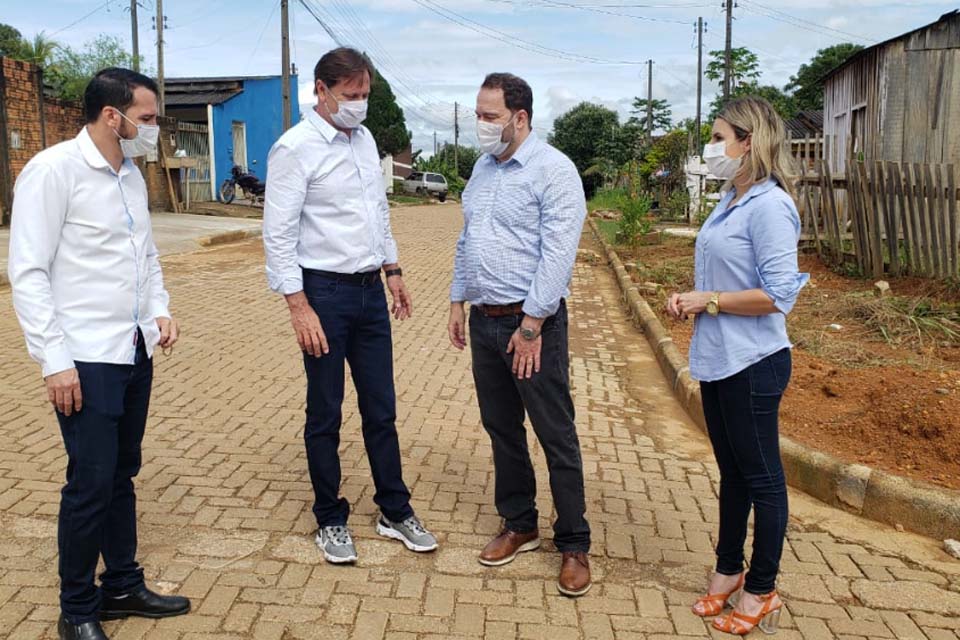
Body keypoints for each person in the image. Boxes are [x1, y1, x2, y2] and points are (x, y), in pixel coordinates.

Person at [8, 68, 190, 640]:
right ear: (113, 116)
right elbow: (29, 273)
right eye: (150, 116)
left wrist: (157, 307)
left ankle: (122, 586)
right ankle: (77, 609)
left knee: (122, 474)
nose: (154, 127)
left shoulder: (130, 175)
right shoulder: (53, 171)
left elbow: (147, 255)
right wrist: (53, 360)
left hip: (134, 348)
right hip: (84, 356)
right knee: (89, 481)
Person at [263, 47, 437, 565]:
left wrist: (394, 270)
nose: (359, 105)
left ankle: (394, 508)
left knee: (381, 408)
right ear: (321, 90)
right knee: (326, 412)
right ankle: (330, 517)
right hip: (324, 294)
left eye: (365, 95)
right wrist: (299, 305)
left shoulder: (364, 141)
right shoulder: (294, 149)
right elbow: (277, 235)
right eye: (351, 96)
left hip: (368, 293)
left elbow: (378, 214)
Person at [667, 96, 808, 636]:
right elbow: (720, 278)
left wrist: (712, 301)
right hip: (720, 359)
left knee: (764, 479)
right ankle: (728, 571)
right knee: (733, 475)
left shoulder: (771, 205)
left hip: (755, 363)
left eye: (720, 136)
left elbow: (779, 295)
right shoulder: (730, 198)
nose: (713, 146)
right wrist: (691, 298)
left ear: (749, 141)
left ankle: (762, 589)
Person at [448, 73, 591, 597]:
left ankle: (574, 542)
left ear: (521, 117)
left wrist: (532, 326)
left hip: (532, 326)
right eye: (479, 114)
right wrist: (457, 300)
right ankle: (520, 523)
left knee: (555, 431)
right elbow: (468, 239)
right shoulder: (481, 171)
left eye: (490, 116)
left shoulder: (554, 171)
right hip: (485, 321)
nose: (481, 125)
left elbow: (558, 254)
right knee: (501, 427)